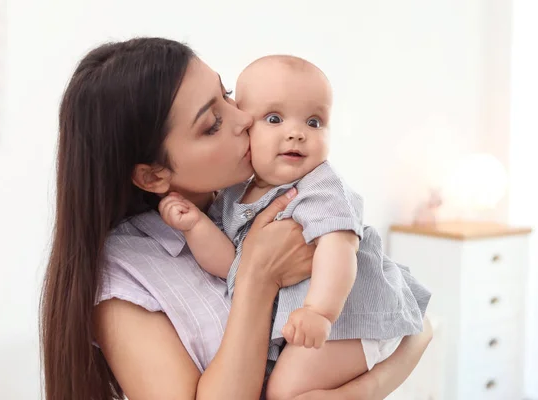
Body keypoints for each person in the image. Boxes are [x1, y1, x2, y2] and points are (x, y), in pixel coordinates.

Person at [40, 37, 433, 400]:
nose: (245, 118)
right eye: (212, 124)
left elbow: (411, 317)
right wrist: (258, 278)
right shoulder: (123, 278)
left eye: (226, 94)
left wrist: (366, 386)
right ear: (153, 175)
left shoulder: (270, 195)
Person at [159, 55, 431, 399]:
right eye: (274, 118)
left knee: (286, 391)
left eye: (315, 122)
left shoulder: (322, 188)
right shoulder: (234, 195)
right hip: (317, 324)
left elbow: (339, 251)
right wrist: (195, 226)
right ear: (247, 127)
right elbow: (233, 266)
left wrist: (320, 311)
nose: (297, 133)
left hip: (351, 315)